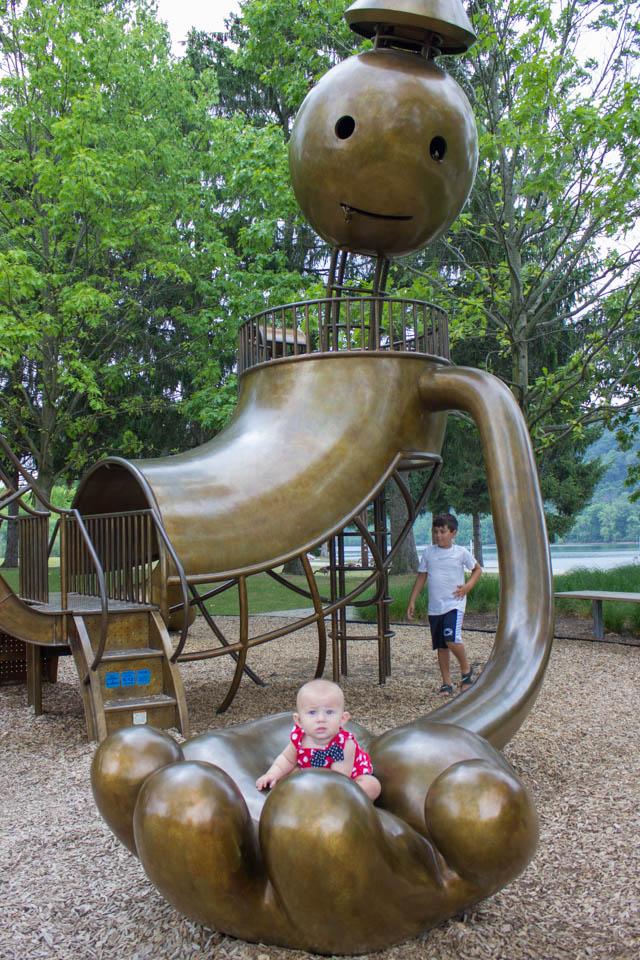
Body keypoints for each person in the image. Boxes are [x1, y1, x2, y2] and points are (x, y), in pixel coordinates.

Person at [255, 678, 381, 801]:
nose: (321, 718)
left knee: (371, 785)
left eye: (330, 712)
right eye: (312, 712)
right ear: (299, 720)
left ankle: (350, 804)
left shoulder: (344, 745)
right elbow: (286, 760)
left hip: (346, 781)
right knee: (289, 775)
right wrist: (271, 775)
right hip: (310, 774)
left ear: (343, 719)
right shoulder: (299, 739)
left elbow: (339, 779)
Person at [407, 513, 482, 696]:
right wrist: (412, 600)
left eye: (443, 531)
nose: (438, 535)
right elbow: (422, 576)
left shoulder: (461, 552)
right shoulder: (429, 553)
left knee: (451, 638)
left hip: (454, 604)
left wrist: (467, 587)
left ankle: (466, 671)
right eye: (436, 532)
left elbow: (477, 569)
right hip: (435, 607)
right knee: (441, 646)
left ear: (453, 533)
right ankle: (446, 683)